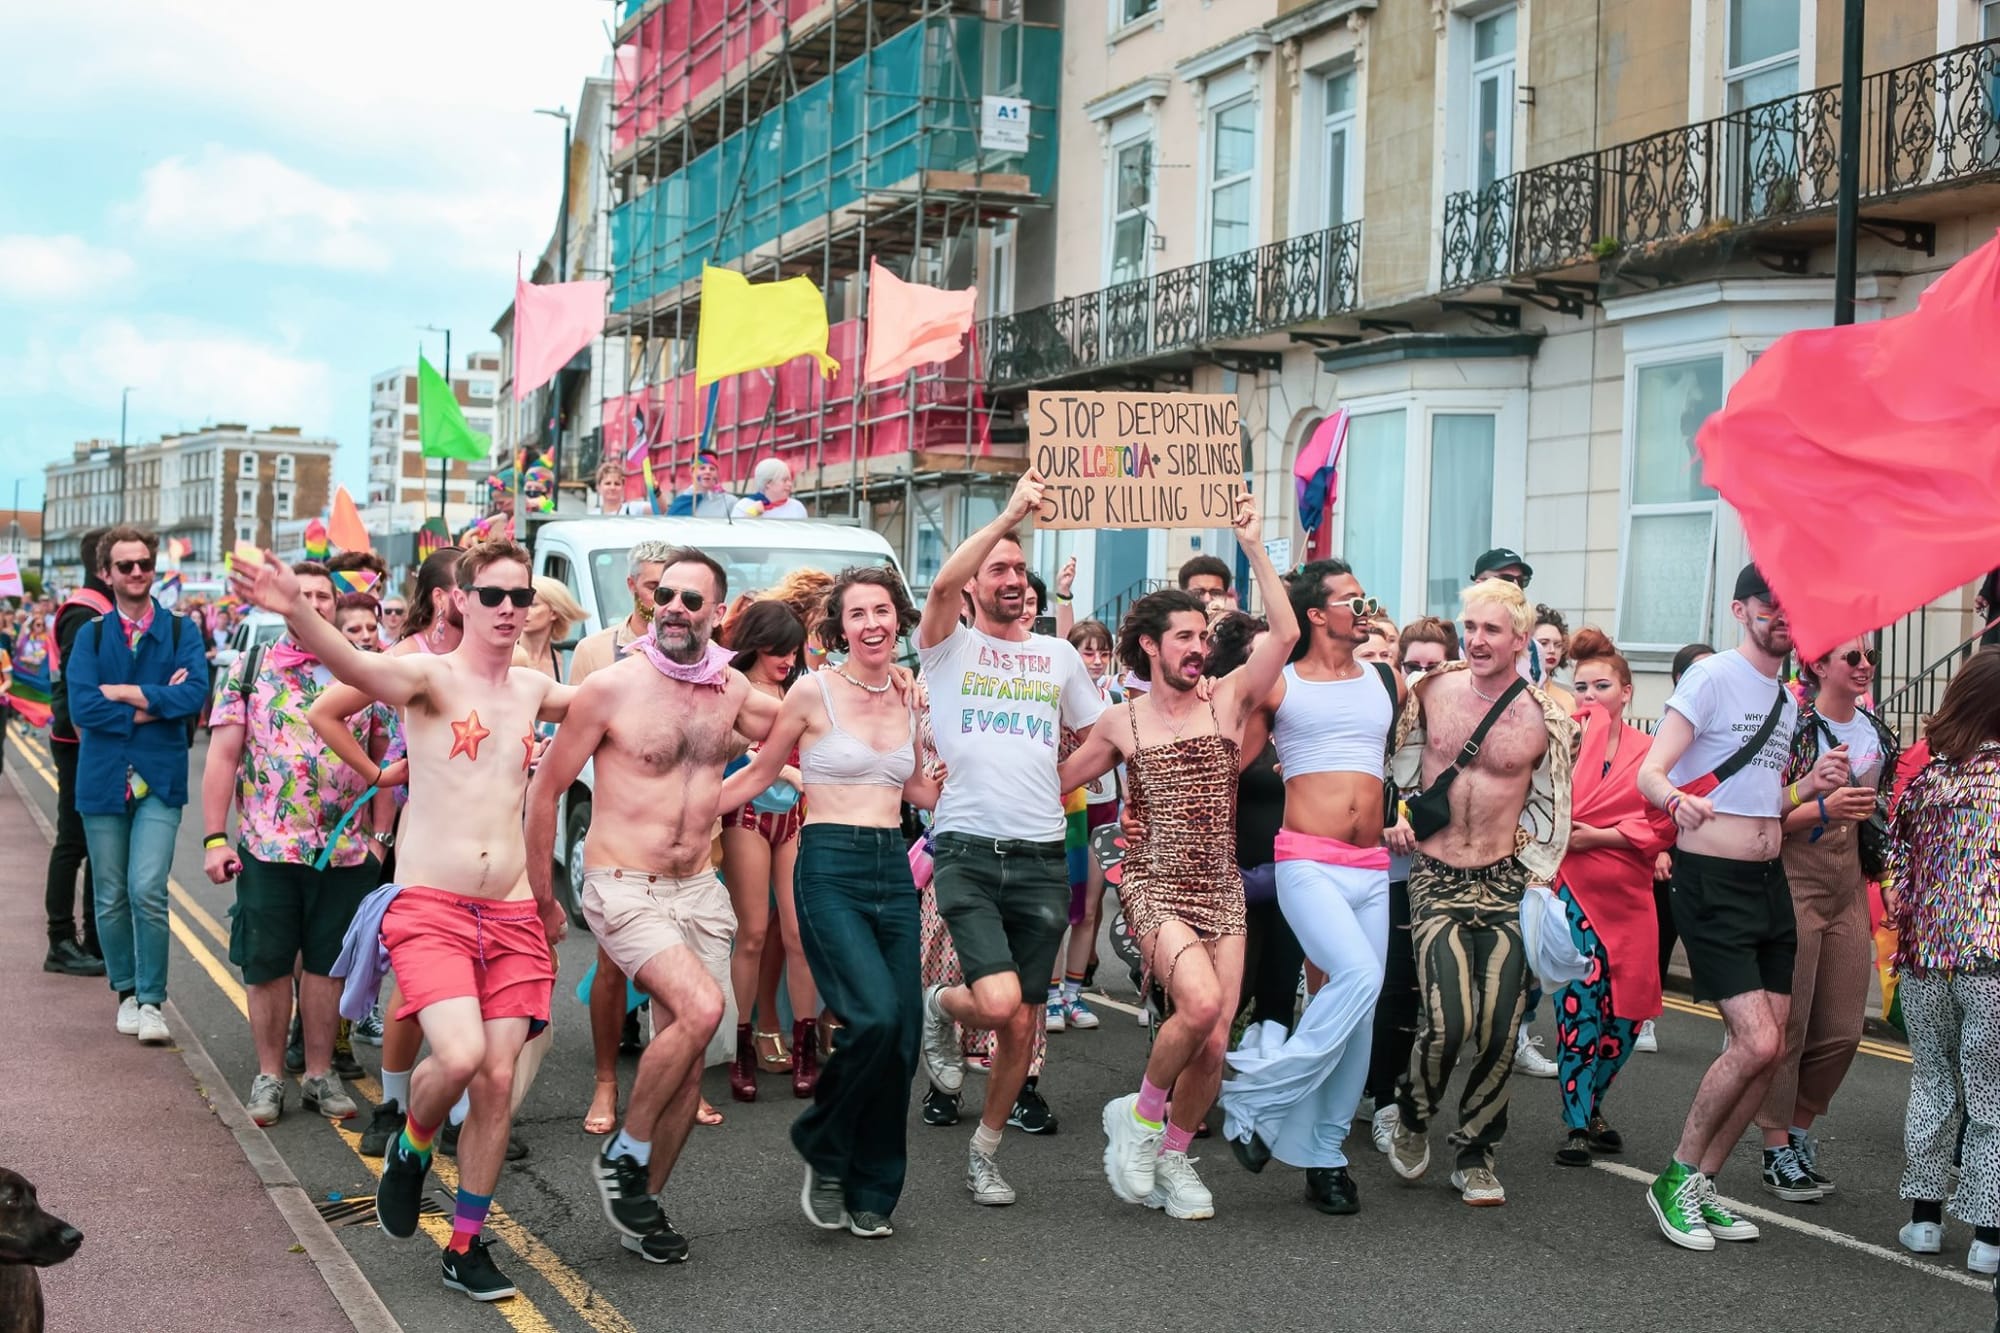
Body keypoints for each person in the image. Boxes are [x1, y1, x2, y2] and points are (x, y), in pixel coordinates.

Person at [238, 538, 571, 1303]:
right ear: (460, 599)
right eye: (492, 595)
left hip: (514, 913)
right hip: (431, 909)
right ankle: (414, 1145)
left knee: (493, 1080)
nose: (508, 609)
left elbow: (621, 699)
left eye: (520, 596)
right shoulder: (427, 677)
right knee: (454, 1057)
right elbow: (355, 672)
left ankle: (464, 1244)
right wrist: (295, 605)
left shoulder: (534, 689)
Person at [525, 545, 779, 1264]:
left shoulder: (729, 691)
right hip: (621, 883)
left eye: (691, 600)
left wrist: (898, 693)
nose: (673, 607)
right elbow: (545, 792)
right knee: (700, 1009)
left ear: (718, 614)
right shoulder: (610, 687)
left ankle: (642, 1200)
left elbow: (799, 729)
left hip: (699, 887)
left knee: (692, 1051)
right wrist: (546, 902)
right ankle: (625, 1151)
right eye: (665, 594)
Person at [1060, 496, 1297, 1220]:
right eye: (1185, 637)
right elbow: (1055, 781)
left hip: (1220, 884)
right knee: (1195, 1004)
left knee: (1216, 1040)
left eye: (1203, 636)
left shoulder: (1227, 699)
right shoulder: (1119, 721)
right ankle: (1140, 1118)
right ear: (1151, 647)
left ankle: (1173, 1156)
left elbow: (1285, 631)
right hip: (1156, 881)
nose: (1198, 647)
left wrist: (1254, 547)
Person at [711, 566, 935, 1237]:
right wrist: (685, 813)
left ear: (898, 619)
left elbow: (920, 792)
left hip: (891, 865)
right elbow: (755, 770)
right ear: (840, 627)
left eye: (883, 611)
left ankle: (872, 1187)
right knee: (871, 1015)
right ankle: (824, 1139)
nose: (872, 623)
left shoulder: (910, 697)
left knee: (903, 1038)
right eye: (858, 613)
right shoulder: (811, 693)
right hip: (828, 861)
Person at [1635, 564, 1852, 1252]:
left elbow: (1765, 801)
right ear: (1740, 609)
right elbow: (1651, 770)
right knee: (1755, 1040)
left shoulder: (1789, 701)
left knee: (1770, 1047)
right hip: (1711, 882)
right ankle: (1673, 1175)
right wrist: (1674, 800)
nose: (1783, 613)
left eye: (1791, 602)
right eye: (1769, 603)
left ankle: (1704, 1182)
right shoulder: (1714, 676)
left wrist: (1809, 787)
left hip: (1768, 882)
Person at [914, 470, 1105, 1207]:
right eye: (1000, 568)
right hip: (966, 848)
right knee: (994, 1002)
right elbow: (935, 592)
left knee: (1025, 1018)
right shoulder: (948, 645)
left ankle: (984, 1152)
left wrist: (1055, 782)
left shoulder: (1057, 655)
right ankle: (941, 1004)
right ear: (973, 584)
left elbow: (1098, 734)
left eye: (1021, 569)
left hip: (1040, 855)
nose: (1014, 579)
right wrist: (1008, 516)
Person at [1212, 557, 1404, 1216]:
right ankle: (1260, 1099)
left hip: (1371, 868)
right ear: (1318, 614)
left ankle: (1324, 1155)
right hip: (1305, 862)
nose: (1367, 607)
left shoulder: (1387, 679)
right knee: (1360, 978)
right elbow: (1226, 768)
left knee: (1356, 1016)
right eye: (1353, 599)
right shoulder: (1282, 686)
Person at [1384, 575, 1577, 1207]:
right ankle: (1414, 1117)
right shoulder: (1432, 690)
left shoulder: (1548, 714)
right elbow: (1400, 765)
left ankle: (1476, 1150)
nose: (1477, 640)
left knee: (1498, 1026)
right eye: (1470, 628)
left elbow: (1554, 804)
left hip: (1503, 880)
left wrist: (1539, 872)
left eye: (1491, 629)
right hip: (1436, 875)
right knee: (1446, 1021)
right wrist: (1401, 817)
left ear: (1520, 638)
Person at [201, 561, 391, 1128]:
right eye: (300, 594)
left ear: (334, 607)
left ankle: (316, 1074)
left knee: (328, 967)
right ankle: (268, 1075)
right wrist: (215, 838)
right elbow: (222, 757)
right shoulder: (250, 666)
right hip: (268, 846)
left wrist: (380, 840)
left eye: (320, 596)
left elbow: (384, 758)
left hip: (347, 851)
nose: (309, 603)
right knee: (267, 964)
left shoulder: (365, 672)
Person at [309, 547, 459, 1156]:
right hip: (424, 833)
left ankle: (464, 1111)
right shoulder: (406, 655)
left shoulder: (503, 658)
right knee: (416, 981)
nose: (501, 603)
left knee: (483, 980)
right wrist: (380, 774)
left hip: (491, 836)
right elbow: (326, 712)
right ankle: (393, 1106)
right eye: (480, 588)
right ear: (447, 597)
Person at [1754, 636, 1899, 1201]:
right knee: (1789, 1024)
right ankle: (1773, 1150)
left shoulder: (1874, 732)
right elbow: (1764, 813)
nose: (1866, 667)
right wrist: (1820, 803)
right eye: (1852, 658)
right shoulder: (1792, 726)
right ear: (1818, 666)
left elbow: (1877, 816)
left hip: (1847, 883)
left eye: (1869, 658)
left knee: (1841, 1028)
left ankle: (1798, 1131)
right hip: (1793, 879)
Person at [65, 525, 210, 1046]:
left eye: (144, 563)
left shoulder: (179, 632)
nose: (137, 573)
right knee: (109, 896)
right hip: (102, 781)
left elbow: (193, 693)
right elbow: (82, 705)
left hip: (160, 781)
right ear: (107, 573)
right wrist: (154, 703)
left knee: (146, 889)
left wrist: (126, 693)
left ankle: (151, 1001)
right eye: (125, 565)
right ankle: (125, 992)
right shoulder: (92, 635)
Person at [1885, 648, 2000, 1276]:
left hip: (1927, 960)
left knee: (1932, 1083)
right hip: (1993, 964)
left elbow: (1897, 873)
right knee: (1991, 1098)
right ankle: (1989, 1237)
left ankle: (1925, 1220)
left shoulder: (1926, 783)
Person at [1548, 628, 1675, 1166]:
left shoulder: (1653, 754)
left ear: (1627, 692)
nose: (1590, 696)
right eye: (1580, 687)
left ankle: (1595, 1105)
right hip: (1573, 887)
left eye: (1602, 686)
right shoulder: (1557, 747)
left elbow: (1664, 821)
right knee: (1580, 1007)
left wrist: (1601, 834)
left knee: (1624, 1018)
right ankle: (1576, 1121)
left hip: (1629, 895)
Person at [1362, 617, 1462, 1154]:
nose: (1422, 675)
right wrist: (1384, 817)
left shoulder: (1464, 721)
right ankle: (1384, 1102)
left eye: (1433, 665)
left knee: (1438, 1004)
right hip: (1381, 874)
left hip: (1443, 874)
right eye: (1411, 665)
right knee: (1390, 992)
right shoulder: (1376, 715)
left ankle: (1407, 1095)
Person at [719, 600, 817, 1102]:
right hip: (746, 816)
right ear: (756, 643)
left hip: (795, 819)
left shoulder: (801, 687)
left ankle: (805, 1049)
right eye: (779, 648)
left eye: (794, 648)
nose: (787, 657)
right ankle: (743, 1048)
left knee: (799, 933)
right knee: (753, 933)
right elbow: (738, 752)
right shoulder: (735, 690)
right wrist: (783, 768)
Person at [1639, 640, 1716, 1057]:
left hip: (1713, 841)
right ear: (1678, 681)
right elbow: (1651, 790)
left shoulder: (1729, 719)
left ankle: (1734, 1024)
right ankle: (1646, 1017)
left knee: (1715, 937)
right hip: (1671, 842)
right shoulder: (1668, 725)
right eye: (1696, 672)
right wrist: (1660, 848)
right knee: (1661, 935)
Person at [43, 526, 112, 978]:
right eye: (127, 563)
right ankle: (61, 940)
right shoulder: (84, 612)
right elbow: (75, 684)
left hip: (87, 739)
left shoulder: (98, 607)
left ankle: (93, 939)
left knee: (93, 842)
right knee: (73, 841)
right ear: (104, 567)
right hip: (77, 741)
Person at [1050, 617, 1120, 1032]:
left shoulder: (1113, 698)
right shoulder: (1058, 696)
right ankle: (1053, 994)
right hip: (1065, 808)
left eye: (1102, 652)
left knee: (1089, 908)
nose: (1095, 660)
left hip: (1105, 807)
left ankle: (1075, 994)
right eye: (1086, 651)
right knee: (1061, 905)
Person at [518, 577, 585, 684]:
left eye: (533, 605)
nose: (524, 610)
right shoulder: (503, 657)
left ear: (554, 613)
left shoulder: (567, 663)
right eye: (521, 603)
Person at [732, 458, 808, 519]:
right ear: (768, 483)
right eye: (784, 480)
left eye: (790, 480)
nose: (790, 484)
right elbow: (735, 534)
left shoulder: (797, 507)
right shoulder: (743, 506)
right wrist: (750, 516)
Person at [668, 452, 736, 518]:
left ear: (717, 473)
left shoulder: (730, 502)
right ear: (692, 471)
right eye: (702, 468)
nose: (708, 472)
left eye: (712, 469)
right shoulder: (680, 502)